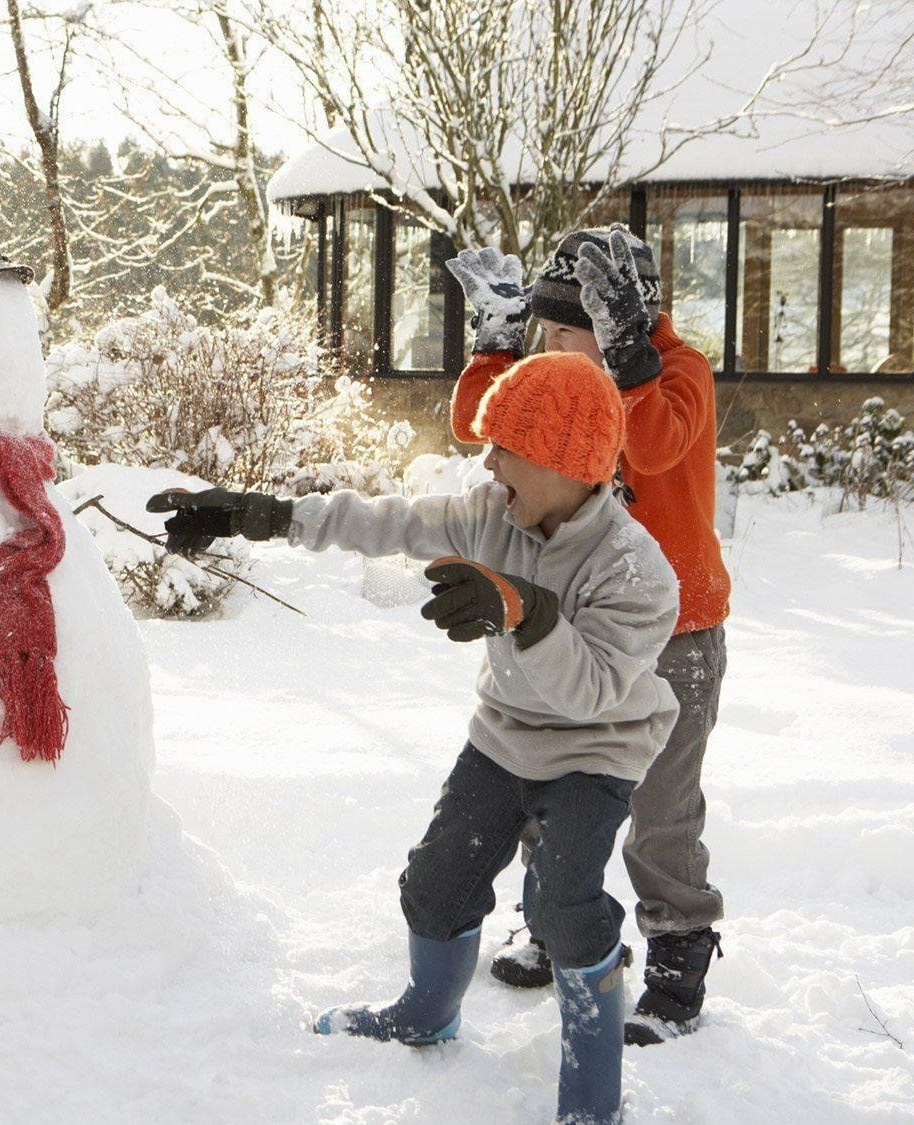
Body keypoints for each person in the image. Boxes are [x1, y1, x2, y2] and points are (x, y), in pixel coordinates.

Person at [150, 352, 679, 1124]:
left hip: (596, 753)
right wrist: (266, 514)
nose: (488, 461)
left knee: (568, 907)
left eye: (507, 447)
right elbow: (389, 519)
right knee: (435, 884)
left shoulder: (637, 571)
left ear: (568, 464)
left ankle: (593, 1101)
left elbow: (592, 692)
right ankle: (426, 1012)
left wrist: (525, 610)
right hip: (504, 736)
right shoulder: (493, 511)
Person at [448, 228, 731, 1045]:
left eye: (572, 331)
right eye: (544, 332)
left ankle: (678, 953)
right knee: (548, 776)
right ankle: (550, 920)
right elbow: (481, 426)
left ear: (625, 320)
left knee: (662, 806)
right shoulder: (561, 383)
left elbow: (653, 442)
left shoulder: (677, 374)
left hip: (677, 634)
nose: (558, 350)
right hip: (569, 627)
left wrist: (631, 357)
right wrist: (496, 347)